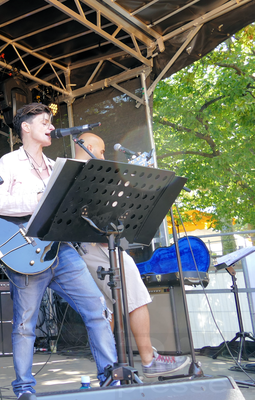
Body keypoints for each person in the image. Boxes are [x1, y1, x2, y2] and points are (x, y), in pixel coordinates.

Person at [0, 103, 117, 399]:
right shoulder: (10, 162)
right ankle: (23, 389)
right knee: (25, 325)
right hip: (26, 250)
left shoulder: (56, 164)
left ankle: (111, 379)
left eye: (50, 122)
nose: (50, 127)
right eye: (44, 122)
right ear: (26, 127)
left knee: (97, 309)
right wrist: (39, 197)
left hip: (61, 250)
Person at [73, 132, 190, 377]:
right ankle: (148, 360)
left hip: (87, 248)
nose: (103, 155)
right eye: (102, 150)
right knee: (135, 297)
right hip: (100, 247)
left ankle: (109, 367)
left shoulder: (73, 173)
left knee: (107, 308)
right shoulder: (90, 171)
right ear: (90, 146)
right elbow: (108, 209)